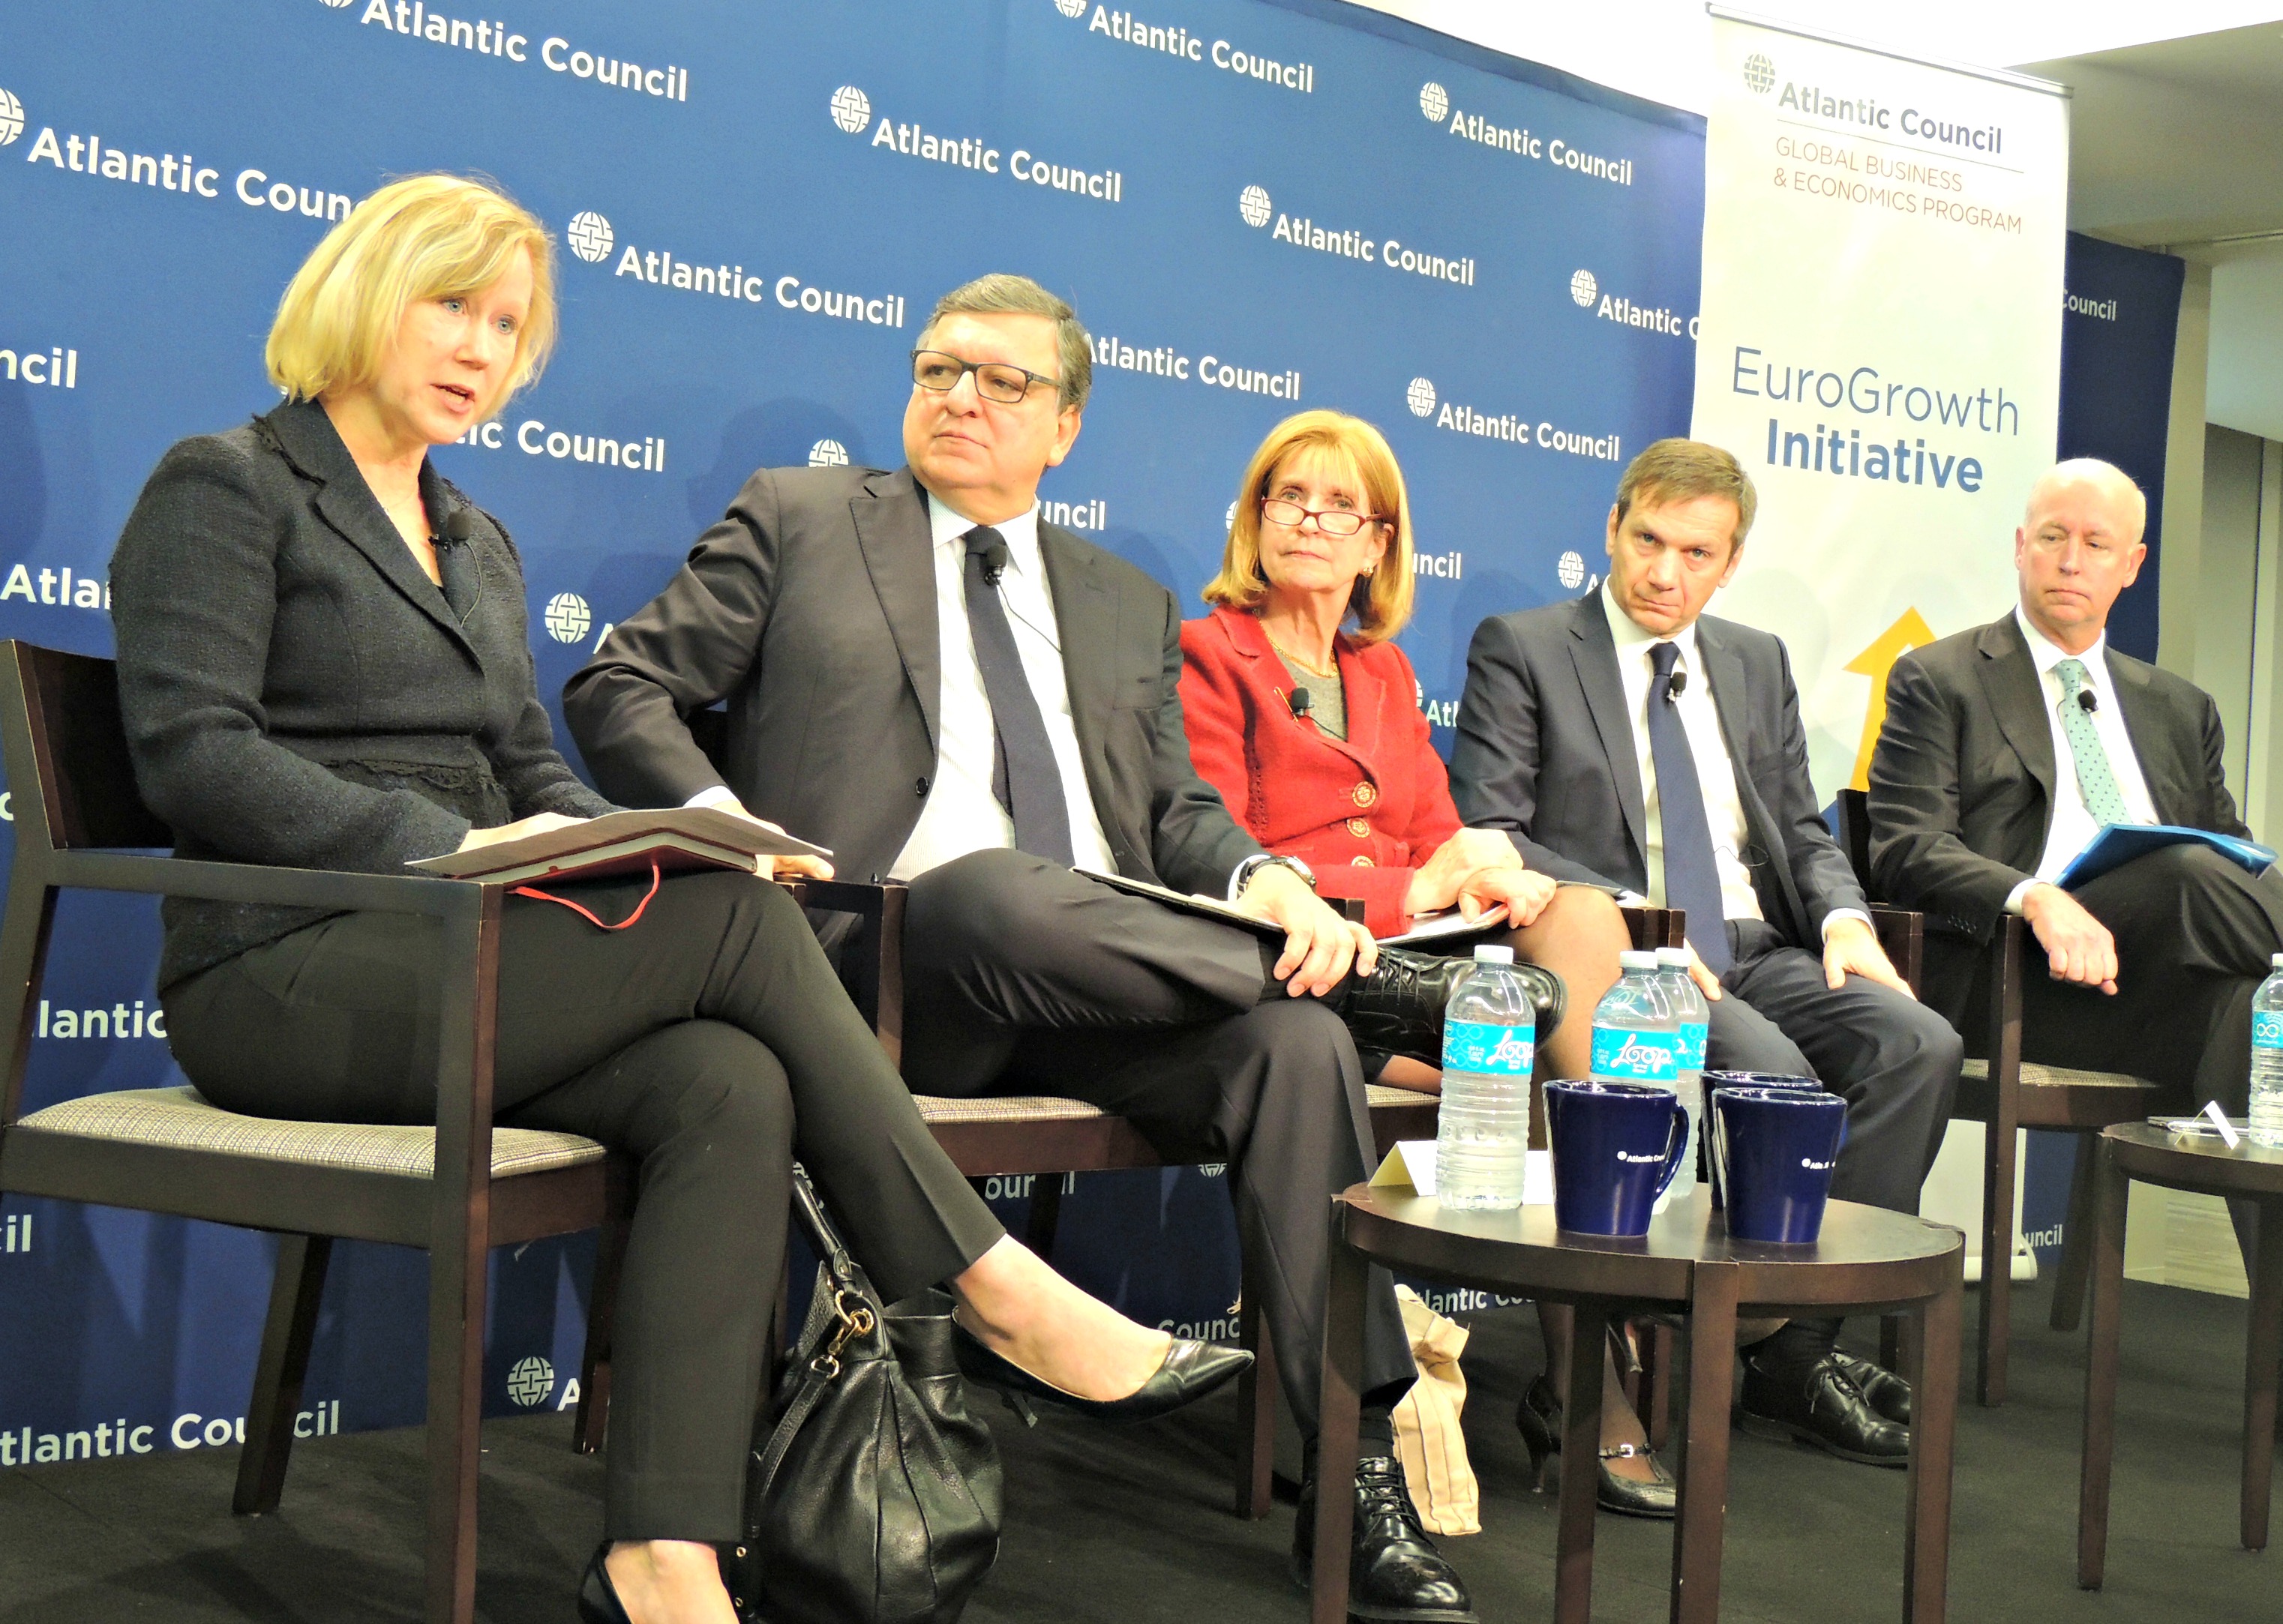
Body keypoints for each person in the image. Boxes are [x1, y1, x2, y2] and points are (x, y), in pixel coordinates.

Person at [108, 179, 1243, 1624]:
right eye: (449, 303)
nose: (480, 346)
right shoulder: (232, 483)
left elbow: (530, 759)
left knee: (722, 1077)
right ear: (360, 294)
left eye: (507, 322)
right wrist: (447, 850)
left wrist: (625, 838)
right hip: (288, 970)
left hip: (465, 960)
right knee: (728, 919)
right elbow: (193, 757)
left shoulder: (475, 534)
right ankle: (984, 1279)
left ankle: (663, 1556)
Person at [562, 274, 1479, 1622]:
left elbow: (1172, 814)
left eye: (1001, 383)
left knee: (1289, 1044)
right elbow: (616, 685)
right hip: (878, 973)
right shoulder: (803, 517)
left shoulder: (1117, 595)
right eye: (938, 371)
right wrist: (727, 830)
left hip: (1094, 983)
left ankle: (1351, 1485)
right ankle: (1398, 996)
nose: (960, 401)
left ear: (1065, 425)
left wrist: (1265, 881)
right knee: (990, 885)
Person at [1178, 410, 1678, 1518]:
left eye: (1337, 506)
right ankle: (1605, 1352)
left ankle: (1590, 1330)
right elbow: (1210, 841)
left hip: (1419, 967)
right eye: (1286, 497)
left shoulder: (1385, 668)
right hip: (1298, 967)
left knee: (1581, 917)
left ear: (1378, 542)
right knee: (1543, 1060)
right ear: (1254, 520)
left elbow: (1432, 834)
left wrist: (1487, 877)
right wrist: (1413, 887)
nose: (1308, 520)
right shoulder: (1210, 651)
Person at [1448, 438, 1959, 1468]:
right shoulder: (1529, 644)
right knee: (1772, 1074)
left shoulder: (1753, 658)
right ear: (1611, 527)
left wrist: (1845, 921)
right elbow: (1492, 829)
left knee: (1919, 1044)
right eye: (1648, 539)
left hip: (1758, 944)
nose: (1665, 571)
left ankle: (1792, 1352)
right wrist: (1636, 923)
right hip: (1630, 960)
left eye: (1696, 552)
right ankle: (1720, 1330)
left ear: (1730, 563)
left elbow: (1800, 829)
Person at [1868, 457, 2283, 1261]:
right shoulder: (1940, 677)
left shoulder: (2176, 708)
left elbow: (2237, 862)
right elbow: (1903, 847)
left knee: (2255, 1014)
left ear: (2130, 566)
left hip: (2152, 989)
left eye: (2095, 544)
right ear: (2020, 546)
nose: (2068, 561)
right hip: (2017, 977)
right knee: (2188, 875)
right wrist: (2032, 896)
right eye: (2052, 538)